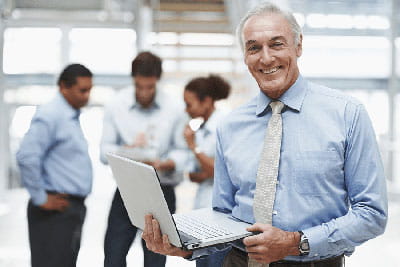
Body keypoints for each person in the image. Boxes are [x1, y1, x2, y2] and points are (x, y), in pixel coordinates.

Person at [141, 2, 388, 267]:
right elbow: (223, 216)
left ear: (299, 45)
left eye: (277, 44)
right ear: (245, 56)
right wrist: (187, 246)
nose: (266, 58)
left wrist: (296, 241)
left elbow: (371, 214)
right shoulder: (231, 126)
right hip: (237, 261)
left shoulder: (347, 114)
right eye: (254, 47)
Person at [100, 51, 187, 267]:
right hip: (127, 190)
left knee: (156, 259)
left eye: (150, 87)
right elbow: (104, 152)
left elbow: (183, 151)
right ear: (133, 80)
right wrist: (127, 150)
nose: (145, 93)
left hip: (162, 189)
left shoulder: (175, 108)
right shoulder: (116, 105)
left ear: (157, 81)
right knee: (113, 255)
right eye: (140, 87)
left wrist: (166, 163)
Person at [16, 64, 93, 267]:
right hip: (54, 210)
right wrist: (41, 198)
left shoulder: (70, 116)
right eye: (82, 90)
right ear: (63, 87)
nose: (87, 96)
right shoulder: (52, 114)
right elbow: (27, 156)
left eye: (89, 90)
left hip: (69, 209)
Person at [183, 74, 231, 267]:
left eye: (189, 104)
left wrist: (193, 146)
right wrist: (208, 167)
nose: (187, 110)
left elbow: (216, 172)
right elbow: (194, 174)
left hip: (220, 219)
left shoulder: (224, 126)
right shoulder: (201, 129)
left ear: (207, 101)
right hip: (202, 213)